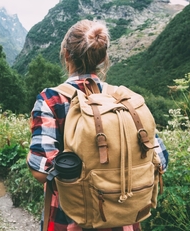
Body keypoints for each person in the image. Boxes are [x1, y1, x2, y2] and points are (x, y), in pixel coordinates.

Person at [26, 19, 169, 231]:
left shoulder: (51, 100)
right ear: (103, 58)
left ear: (66, 54)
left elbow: (41, 171)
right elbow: (161, 160)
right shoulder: (123, 100)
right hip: (123, 219)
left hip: (68, 220)